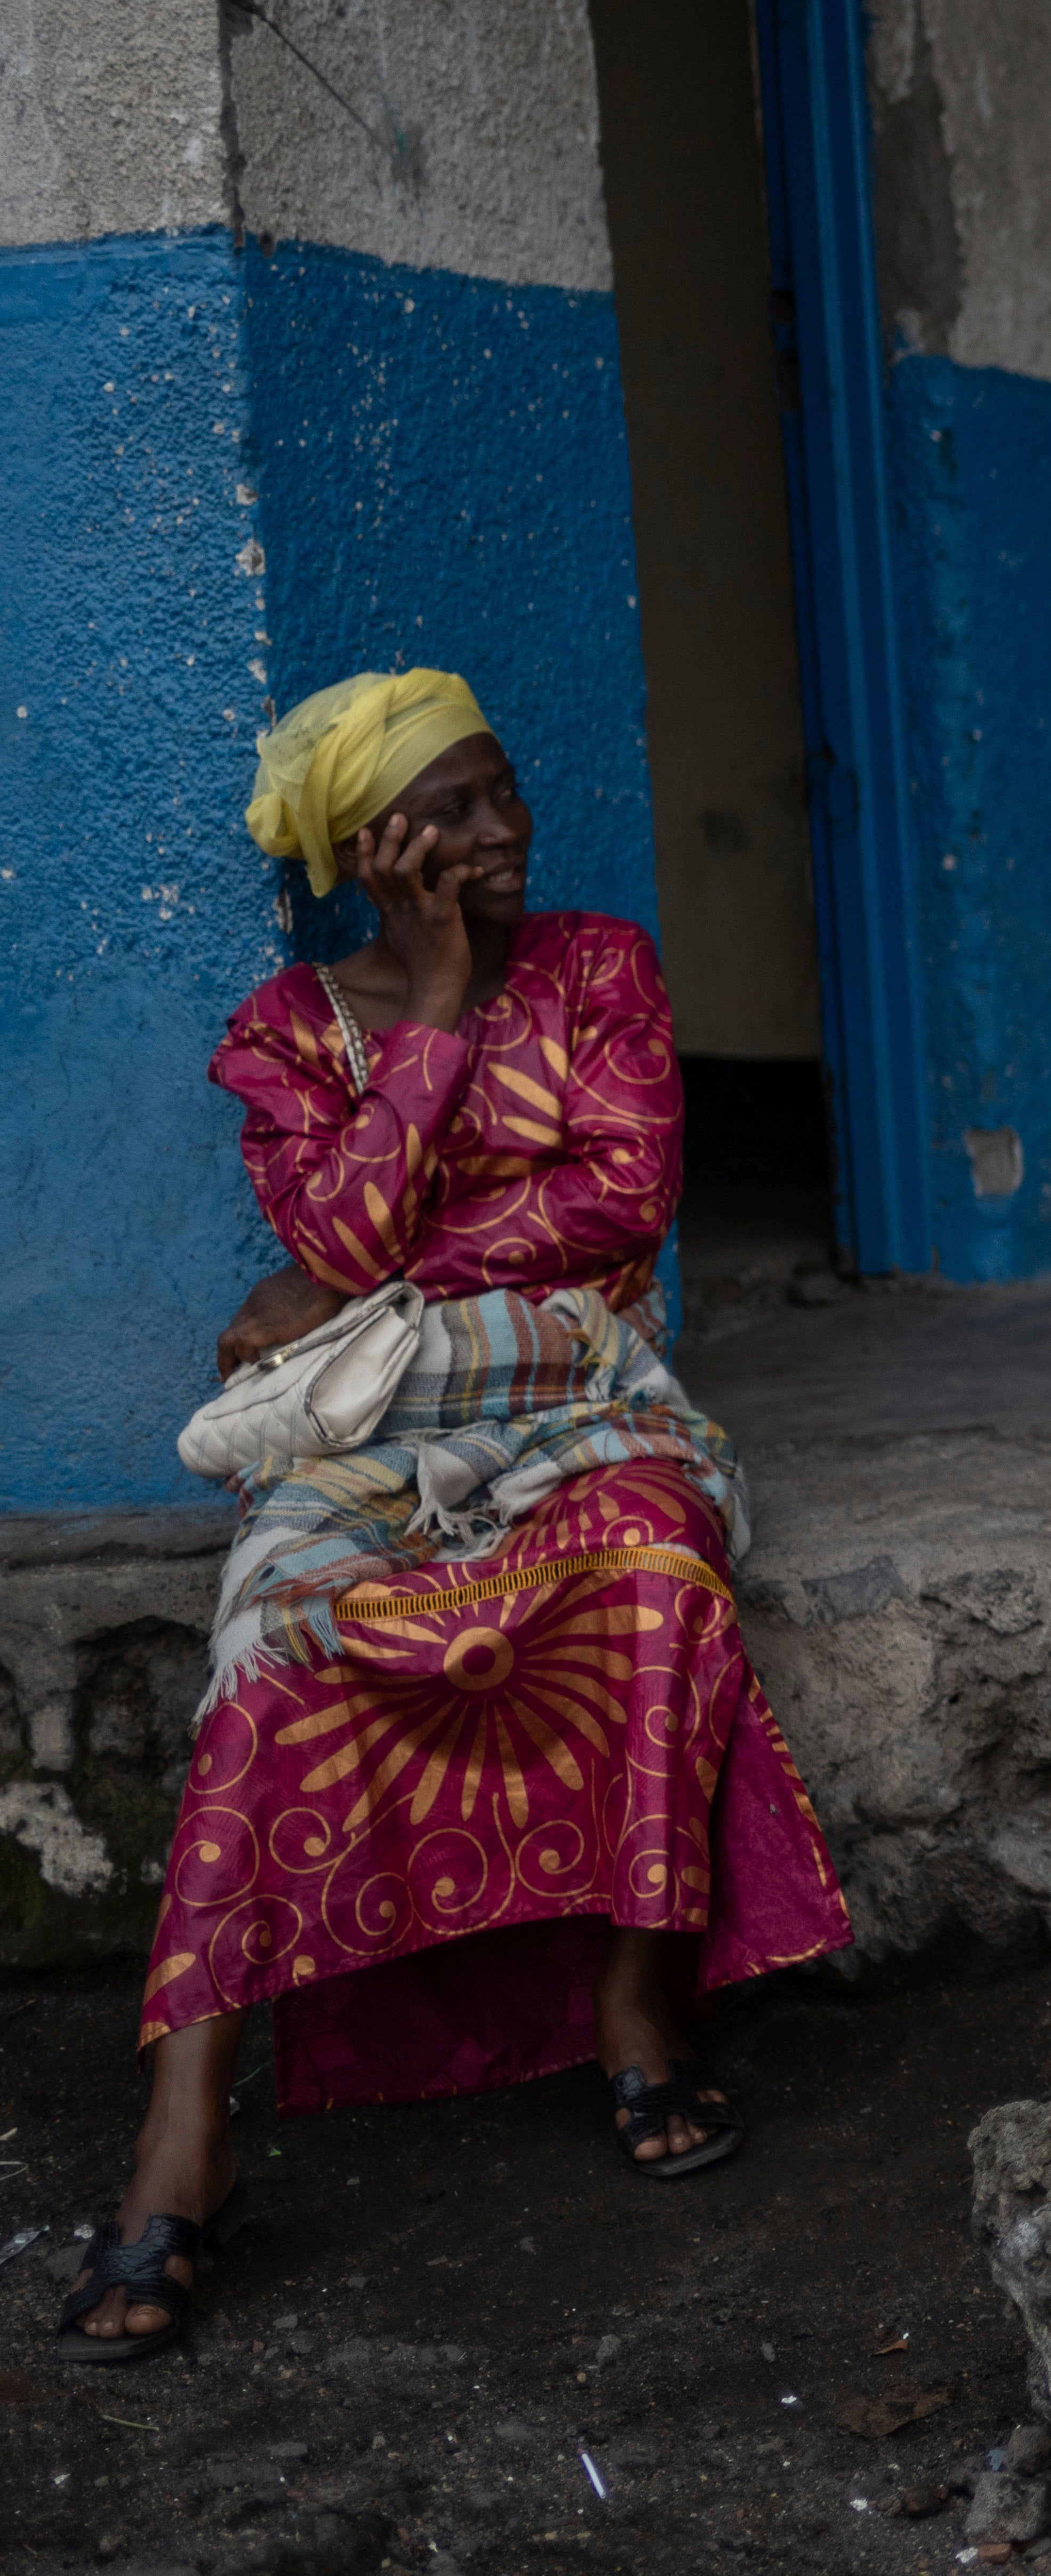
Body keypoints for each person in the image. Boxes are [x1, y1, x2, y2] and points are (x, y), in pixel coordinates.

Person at [62, 670, 853, 2362]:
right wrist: (427, 1004)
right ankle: (181, 2129)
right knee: (275, 1641)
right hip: (370, 1431)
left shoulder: (601, 967)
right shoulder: (290, 1031)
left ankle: (639, 1993)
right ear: (372, 846)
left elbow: (619, 1195)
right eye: (460, 809)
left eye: (506, 790)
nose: (507, 829)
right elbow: (334, 1229)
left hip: (583, 1393)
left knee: (653, 1578)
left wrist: (356, 1274)